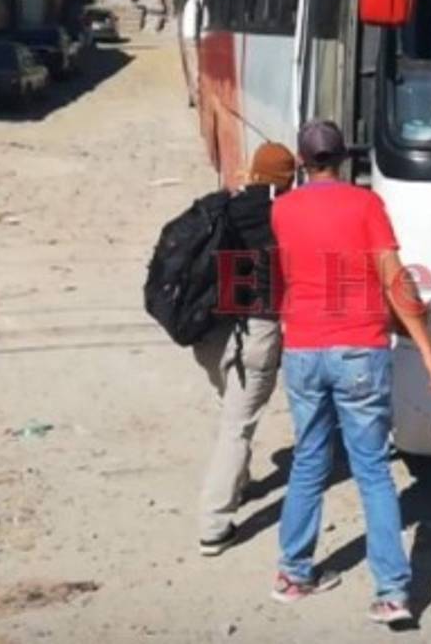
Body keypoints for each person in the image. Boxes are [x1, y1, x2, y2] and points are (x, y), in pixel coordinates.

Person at [270, 120, 431, 625]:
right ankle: (393, 592)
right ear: (344, 158)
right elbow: (395, 280)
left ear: (304, 162)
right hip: (359, 350)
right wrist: (429, 351)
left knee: (309, 460)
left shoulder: (281, 210)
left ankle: (292, 573)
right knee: (372, 469)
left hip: (304, 348)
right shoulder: (366, 205)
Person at [192, 142, 296, 556]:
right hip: (255, 331)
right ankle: (214, 525)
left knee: (232, 410)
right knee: (237, 425)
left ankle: (240, 480)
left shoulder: (224, 207)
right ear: (289, 178)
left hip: (209, 331)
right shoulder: (284, 216)